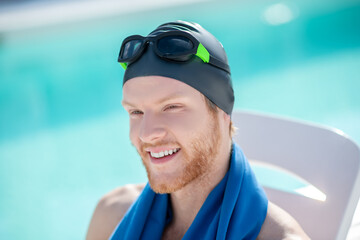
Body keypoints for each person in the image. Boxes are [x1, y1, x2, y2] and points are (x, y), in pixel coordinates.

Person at [86, 20, 310, 240]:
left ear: (222, 112)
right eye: (136, 112)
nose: (146, 134)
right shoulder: (111, 214)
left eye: (172, 107)